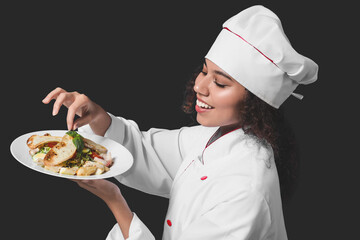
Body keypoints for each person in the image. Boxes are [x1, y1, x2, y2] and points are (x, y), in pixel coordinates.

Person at [42, 5, 318, 240]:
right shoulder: (217, 137)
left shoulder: (246, 191)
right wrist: (99, 118)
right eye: (204, 71)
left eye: (220, 83)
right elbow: (146, 151)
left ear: (256, 101)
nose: (200, 86)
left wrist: (115, 202)